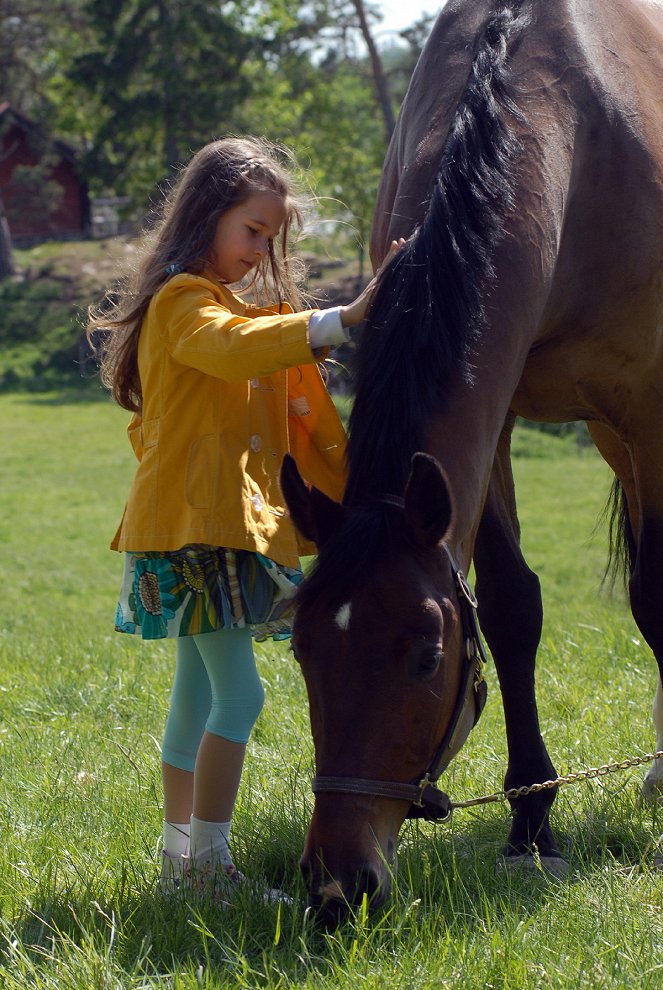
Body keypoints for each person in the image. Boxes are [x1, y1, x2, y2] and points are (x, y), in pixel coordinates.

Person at [88, 135, 403, 903]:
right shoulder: (184, 302)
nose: (261, 249)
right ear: (207, 213)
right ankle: (207, 870)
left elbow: (259, 391)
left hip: (196, 526)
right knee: (240, 698)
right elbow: (231, 351)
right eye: (252, 229)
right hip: (201, 529)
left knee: (197, 697)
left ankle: (178, 862)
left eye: (271, 235)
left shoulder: (218, 305)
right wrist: (338, 320)